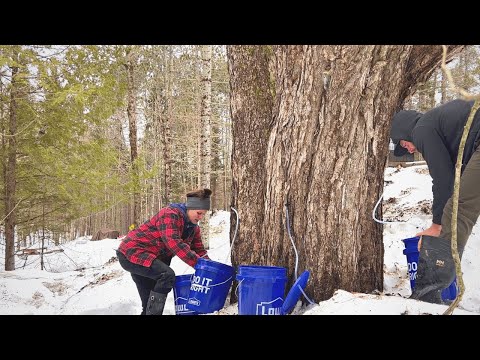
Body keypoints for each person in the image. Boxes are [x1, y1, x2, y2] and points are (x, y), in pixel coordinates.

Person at [390, 99, 480, 304]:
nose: (409, 150)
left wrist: (437, 225)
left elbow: (443, 180)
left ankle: (430, 293)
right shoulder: (439, 126)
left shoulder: (421, 129)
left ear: (406, 131)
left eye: (404, 144)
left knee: (458, 210)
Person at [116, 188, 212, 315]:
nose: (200, 217)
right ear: (190, 207)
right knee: (166, 276)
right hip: (133, 253)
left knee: (149, 306)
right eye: (199, 213)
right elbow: (174, 243)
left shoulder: (194, 228)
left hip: (152, 259)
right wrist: (199, 265)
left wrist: (211, 268)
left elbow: (199, 250)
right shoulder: (170, 214)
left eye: (203, 214)